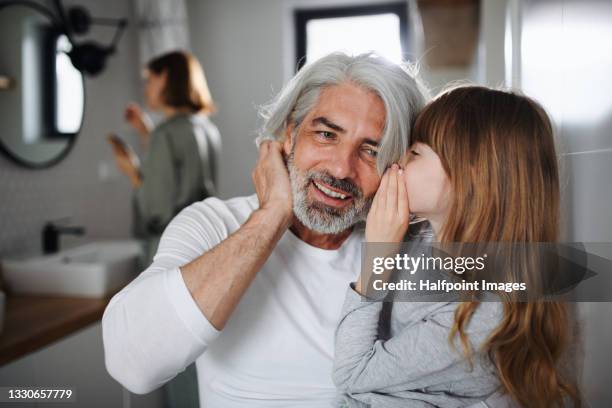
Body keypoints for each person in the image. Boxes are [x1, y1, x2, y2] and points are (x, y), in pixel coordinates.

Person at [102, 52, 428, 408]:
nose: (340, 169)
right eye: (325, 134)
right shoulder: (213, 223)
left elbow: (495, 328)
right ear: (289, 134)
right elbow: (132, 365)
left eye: (371, 151)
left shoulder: (409, 246)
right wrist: (273, 214)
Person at [332, 86, 580, 407]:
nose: (397, 161)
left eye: (415, 153)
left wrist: (378, 257)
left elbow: (352, 374)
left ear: (469, 177)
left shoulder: (489, 305)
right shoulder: (419, 235)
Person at [112, 50, 221, 264]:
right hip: (202, 245)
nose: (146, 89)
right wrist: (146, 132)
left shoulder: (164, 135)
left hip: (169, 251)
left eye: (150, 80)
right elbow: (182, 170)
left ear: (164, 78)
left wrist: (132, 172)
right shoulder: (207, 128)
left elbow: (157, 211)